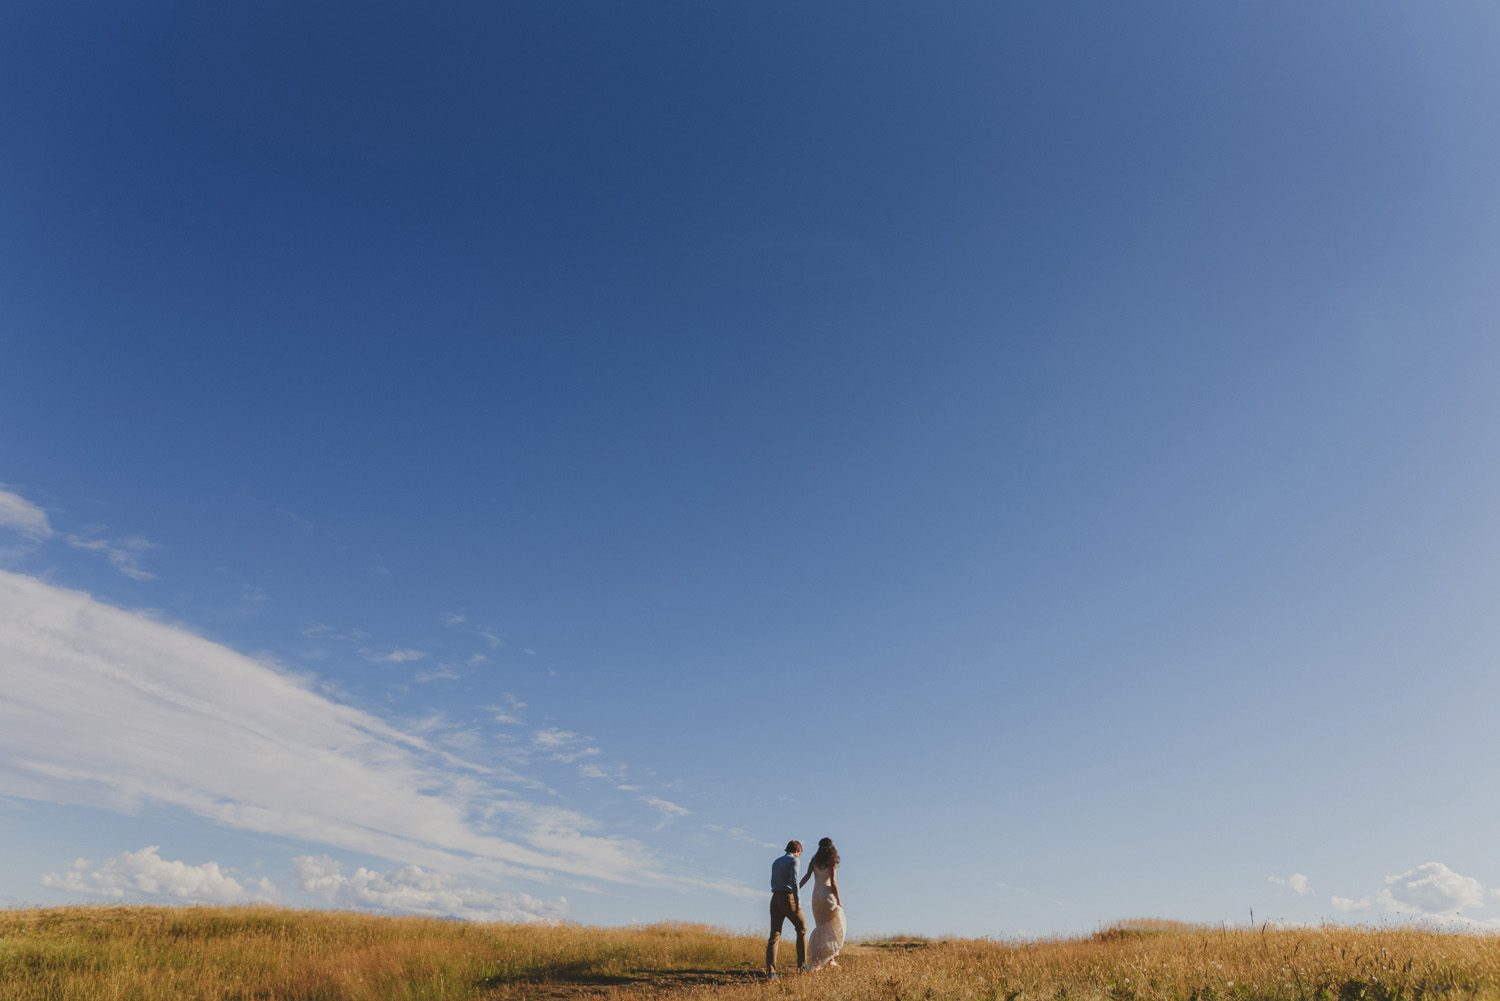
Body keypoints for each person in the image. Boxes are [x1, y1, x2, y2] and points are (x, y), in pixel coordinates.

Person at [799, 837, 845, 971]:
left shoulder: (814, 861)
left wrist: (797, 888)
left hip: (816, 897)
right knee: (834, 925)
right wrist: (839, 900)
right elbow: (834, 882)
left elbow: (807, 877)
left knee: (821, 926)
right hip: (827, 895)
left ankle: (830, 959)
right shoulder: (832, 861)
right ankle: (829, 959)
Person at [765, 840, 806, 978]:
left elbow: (772, 881)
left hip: (775, 897)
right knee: (801, 928)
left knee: (774, 934)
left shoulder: (776, 862)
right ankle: (802, 966)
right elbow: (794, 881)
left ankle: (771, 971)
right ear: (798, 850)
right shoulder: (794, 860)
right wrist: (798, 902)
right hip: (788, 898)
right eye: (800, 853)